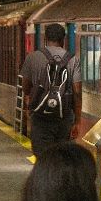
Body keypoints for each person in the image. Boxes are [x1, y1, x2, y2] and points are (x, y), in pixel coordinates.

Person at [19, 25, 77, 158]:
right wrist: (77, 121)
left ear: (45, 39)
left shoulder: (32, 57)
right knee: (62, 156)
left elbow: (25, 87)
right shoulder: (73, 60)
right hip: (64, 118)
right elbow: (77, 93)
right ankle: (59, 178)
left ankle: (46, 177)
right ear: (63, 39)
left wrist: (31, 101)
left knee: (42, 157)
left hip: (40, 117)